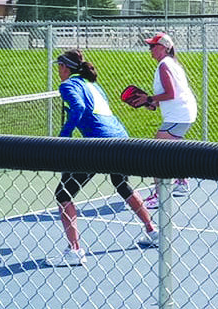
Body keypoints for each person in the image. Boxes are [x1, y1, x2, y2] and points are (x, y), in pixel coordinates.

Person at [47, 48, 159, 267]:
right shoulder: (94, 85)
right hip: (121, 140)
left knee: (63, 194)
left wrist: (63, 137)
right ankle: (152, 231)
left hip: (98, 145)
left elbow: (78, 108)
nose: (58, 71)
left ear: (65, 67)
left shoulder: (68, 85)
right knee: (122, 184)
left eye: (59, 67)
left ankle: (75, 251)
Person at [137, 32, 198, 209]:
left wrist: (149, 99)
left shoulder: (164, 65)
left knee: (157, 152)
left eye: (153, 46)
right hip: (183, 113)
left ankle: (160, 196)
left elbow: (171, 93)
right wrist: (153, 102)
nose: (150, 49)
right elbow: (172, 93)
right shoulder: (171, 64)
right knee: (173, 150)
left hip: (179, 115)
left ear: (164, 48)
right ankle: (181, 181)